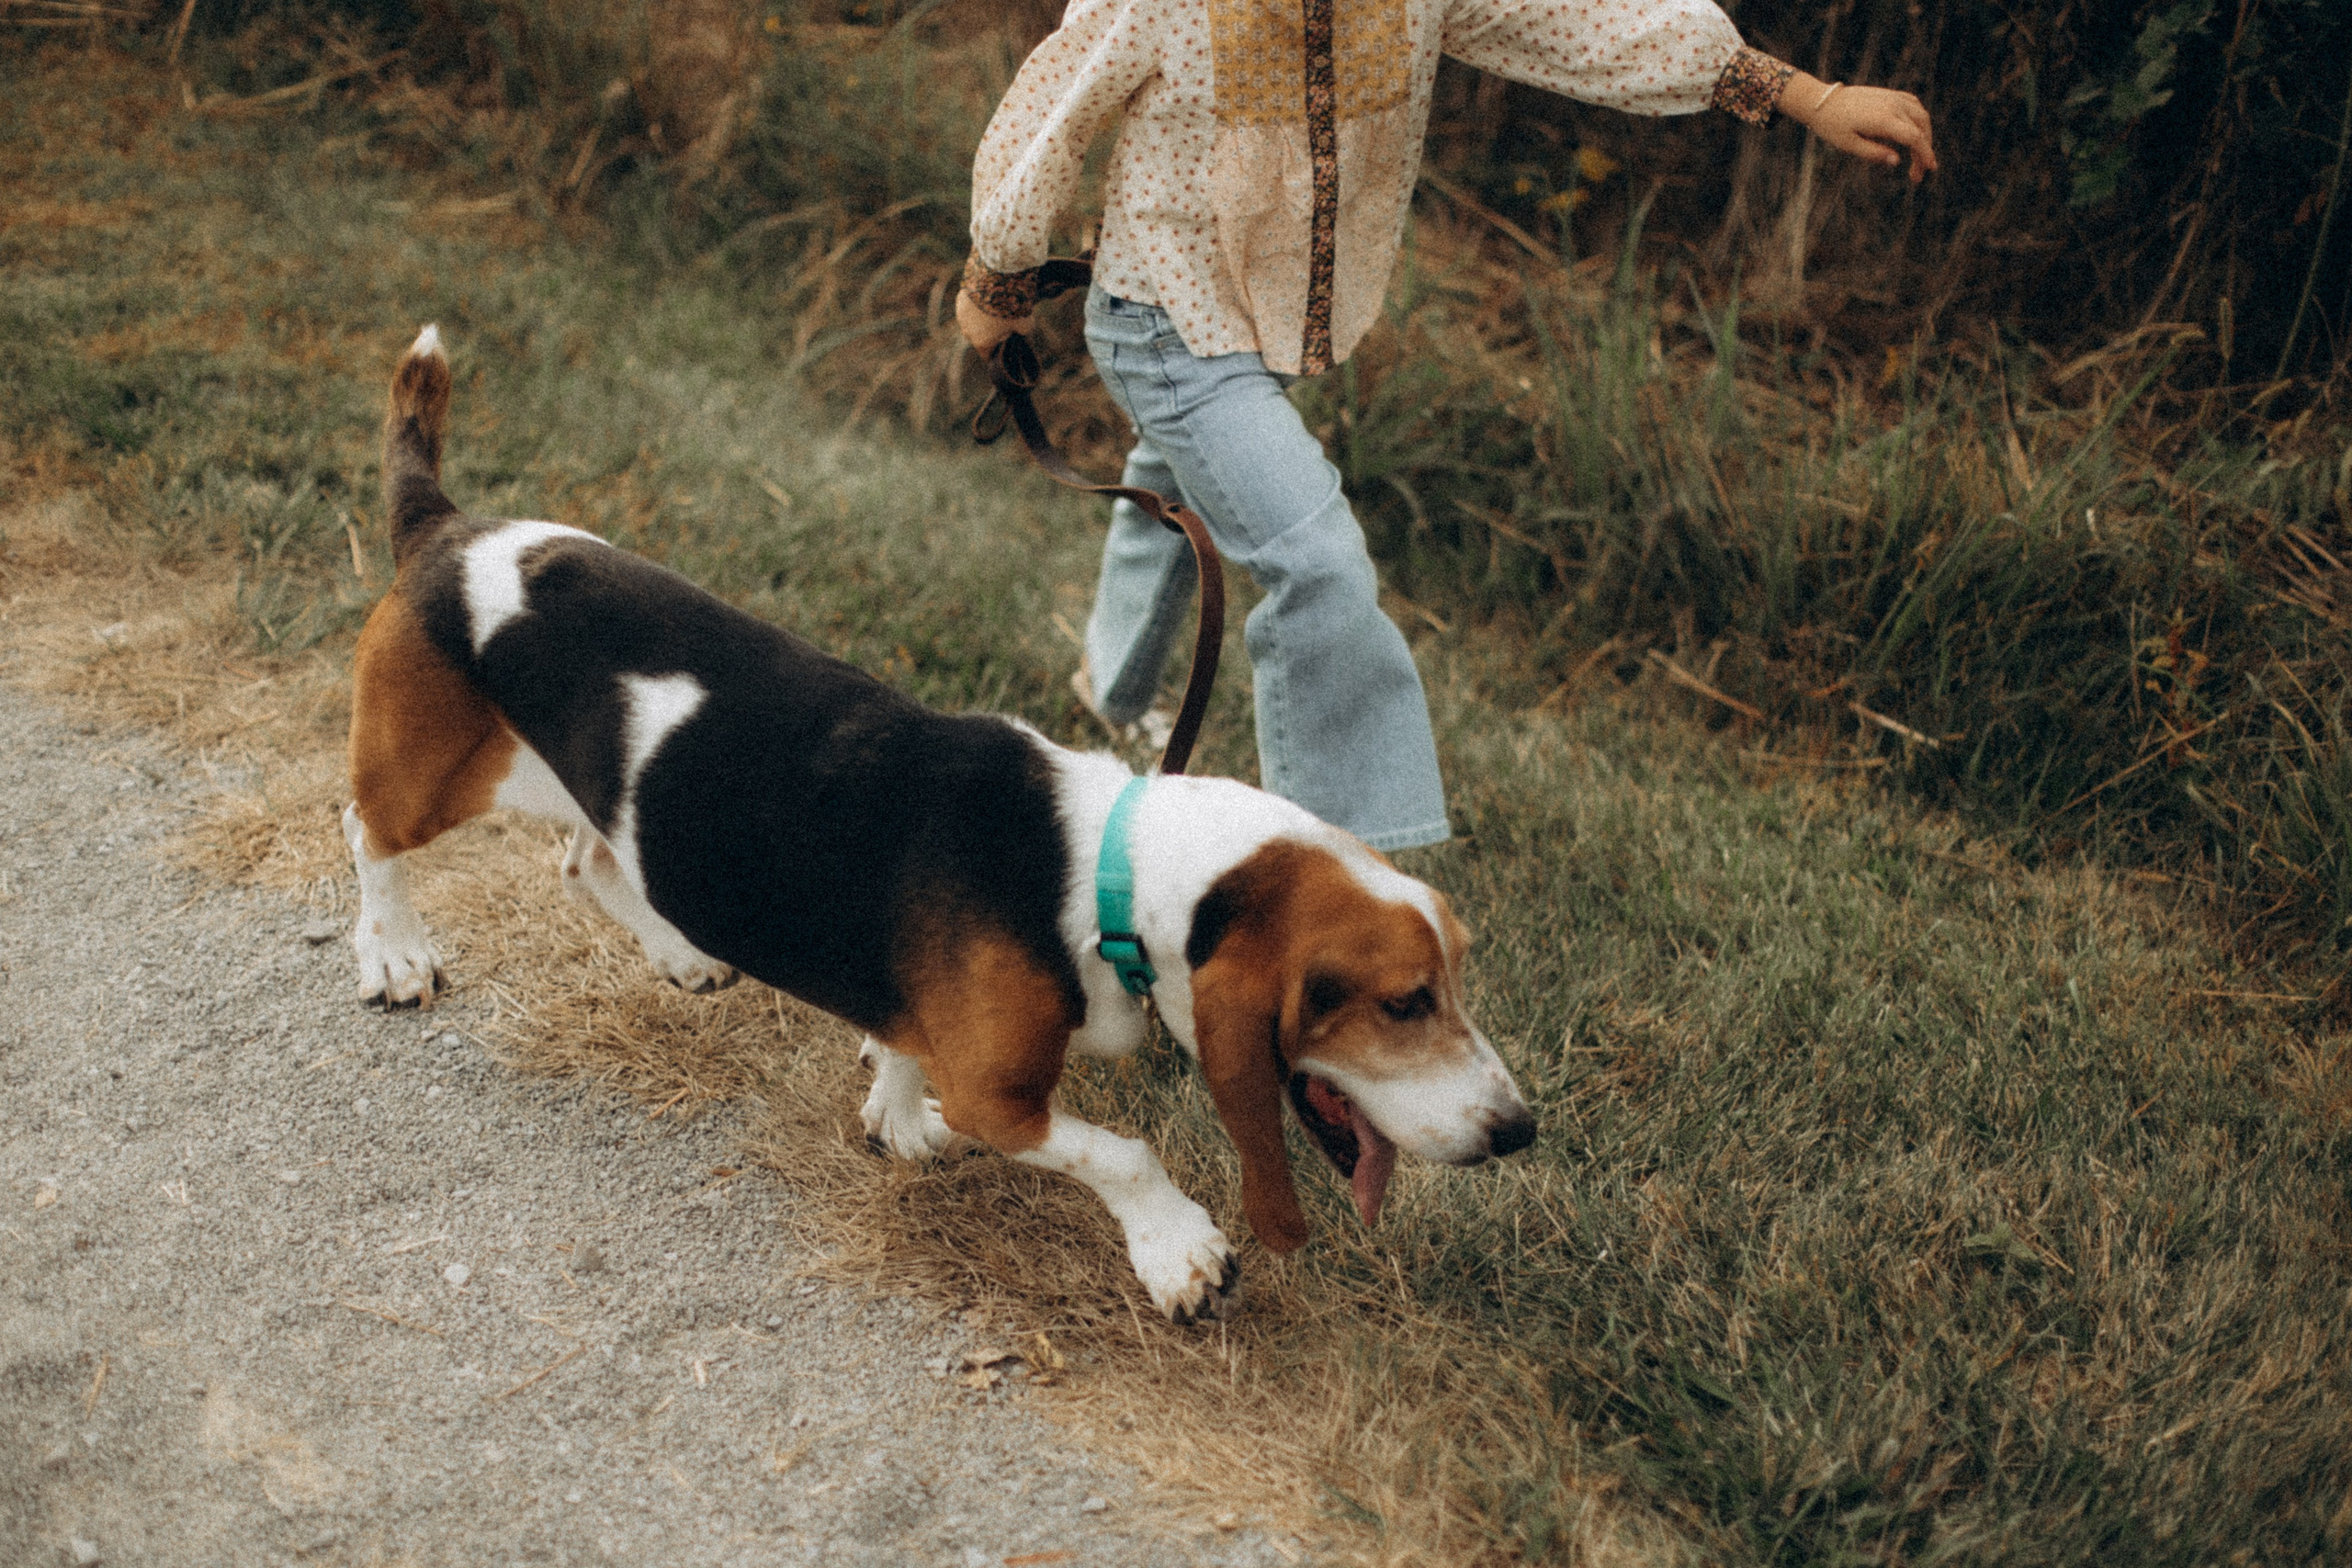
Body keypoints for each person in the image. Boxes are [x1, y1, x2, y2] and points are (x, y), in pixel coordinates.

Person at [957, 0, 1935, 852]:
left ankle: (1110, 691)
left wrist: (1803, 93)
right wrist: (998, 280)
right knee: (1316, 562)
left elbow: (1583, 22)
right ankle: (1334, 867)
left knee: (1180, 481)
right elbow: (1054, 109)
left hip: (1276, 318)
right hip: (1167, 326)